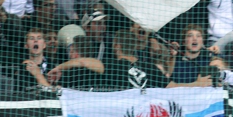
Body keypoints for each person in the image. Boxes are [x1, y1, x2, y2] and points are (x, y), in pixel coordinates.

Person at [48, 29, 212, 90]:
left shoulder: (113, 67)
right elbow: (173, 87)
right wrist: (197, 84)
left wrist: (59, 67)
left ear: (116, 46)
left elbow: (83, 61)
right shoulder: (151, 68)